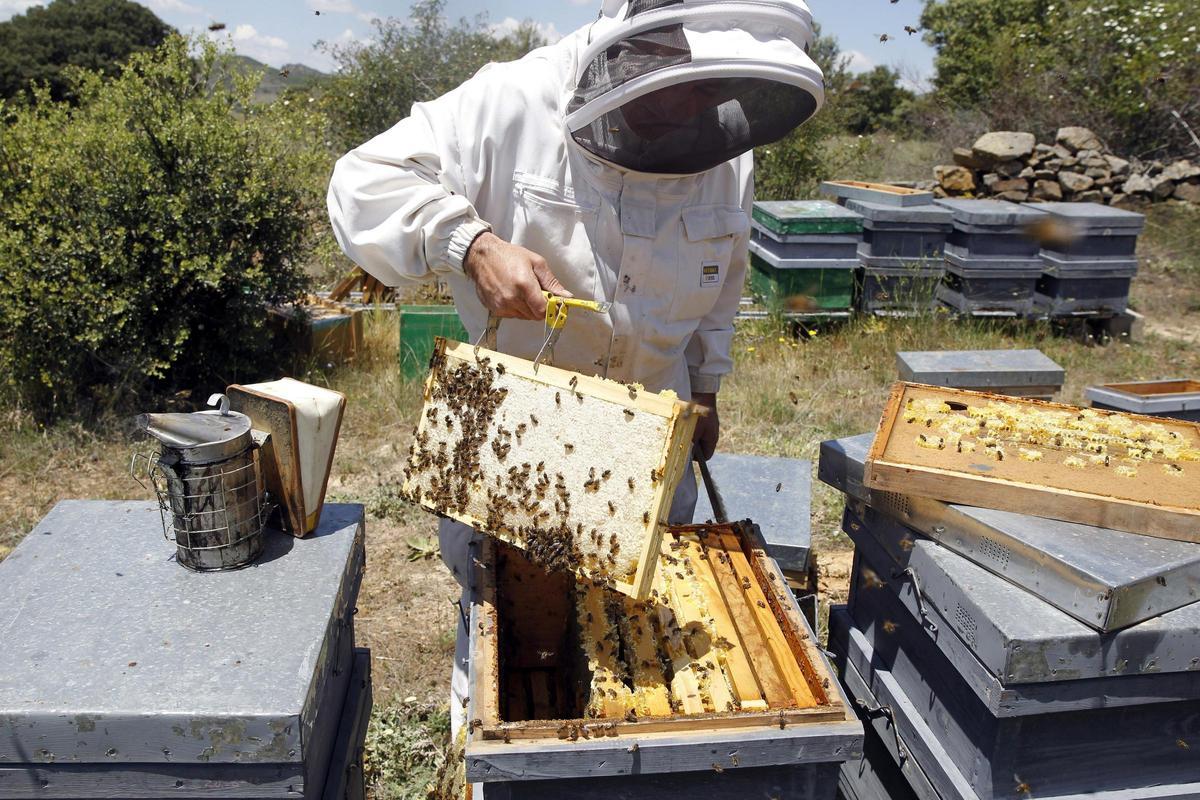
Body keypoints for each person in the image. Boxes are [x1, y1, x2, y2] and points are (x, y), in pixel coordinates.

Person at [327, 0, 825, 738]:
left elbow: (722, 278)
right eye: (677, 83)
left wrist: (709, 387)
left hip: (652, 441)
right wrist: (469, 242)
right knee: (505, 648)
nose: (695, 107)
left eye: (710, 88)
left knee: (640, 655)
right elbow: (360, 183)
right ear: (629, 48)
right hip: (520, 439)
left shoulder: (723, 147)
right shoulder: (507, 102)